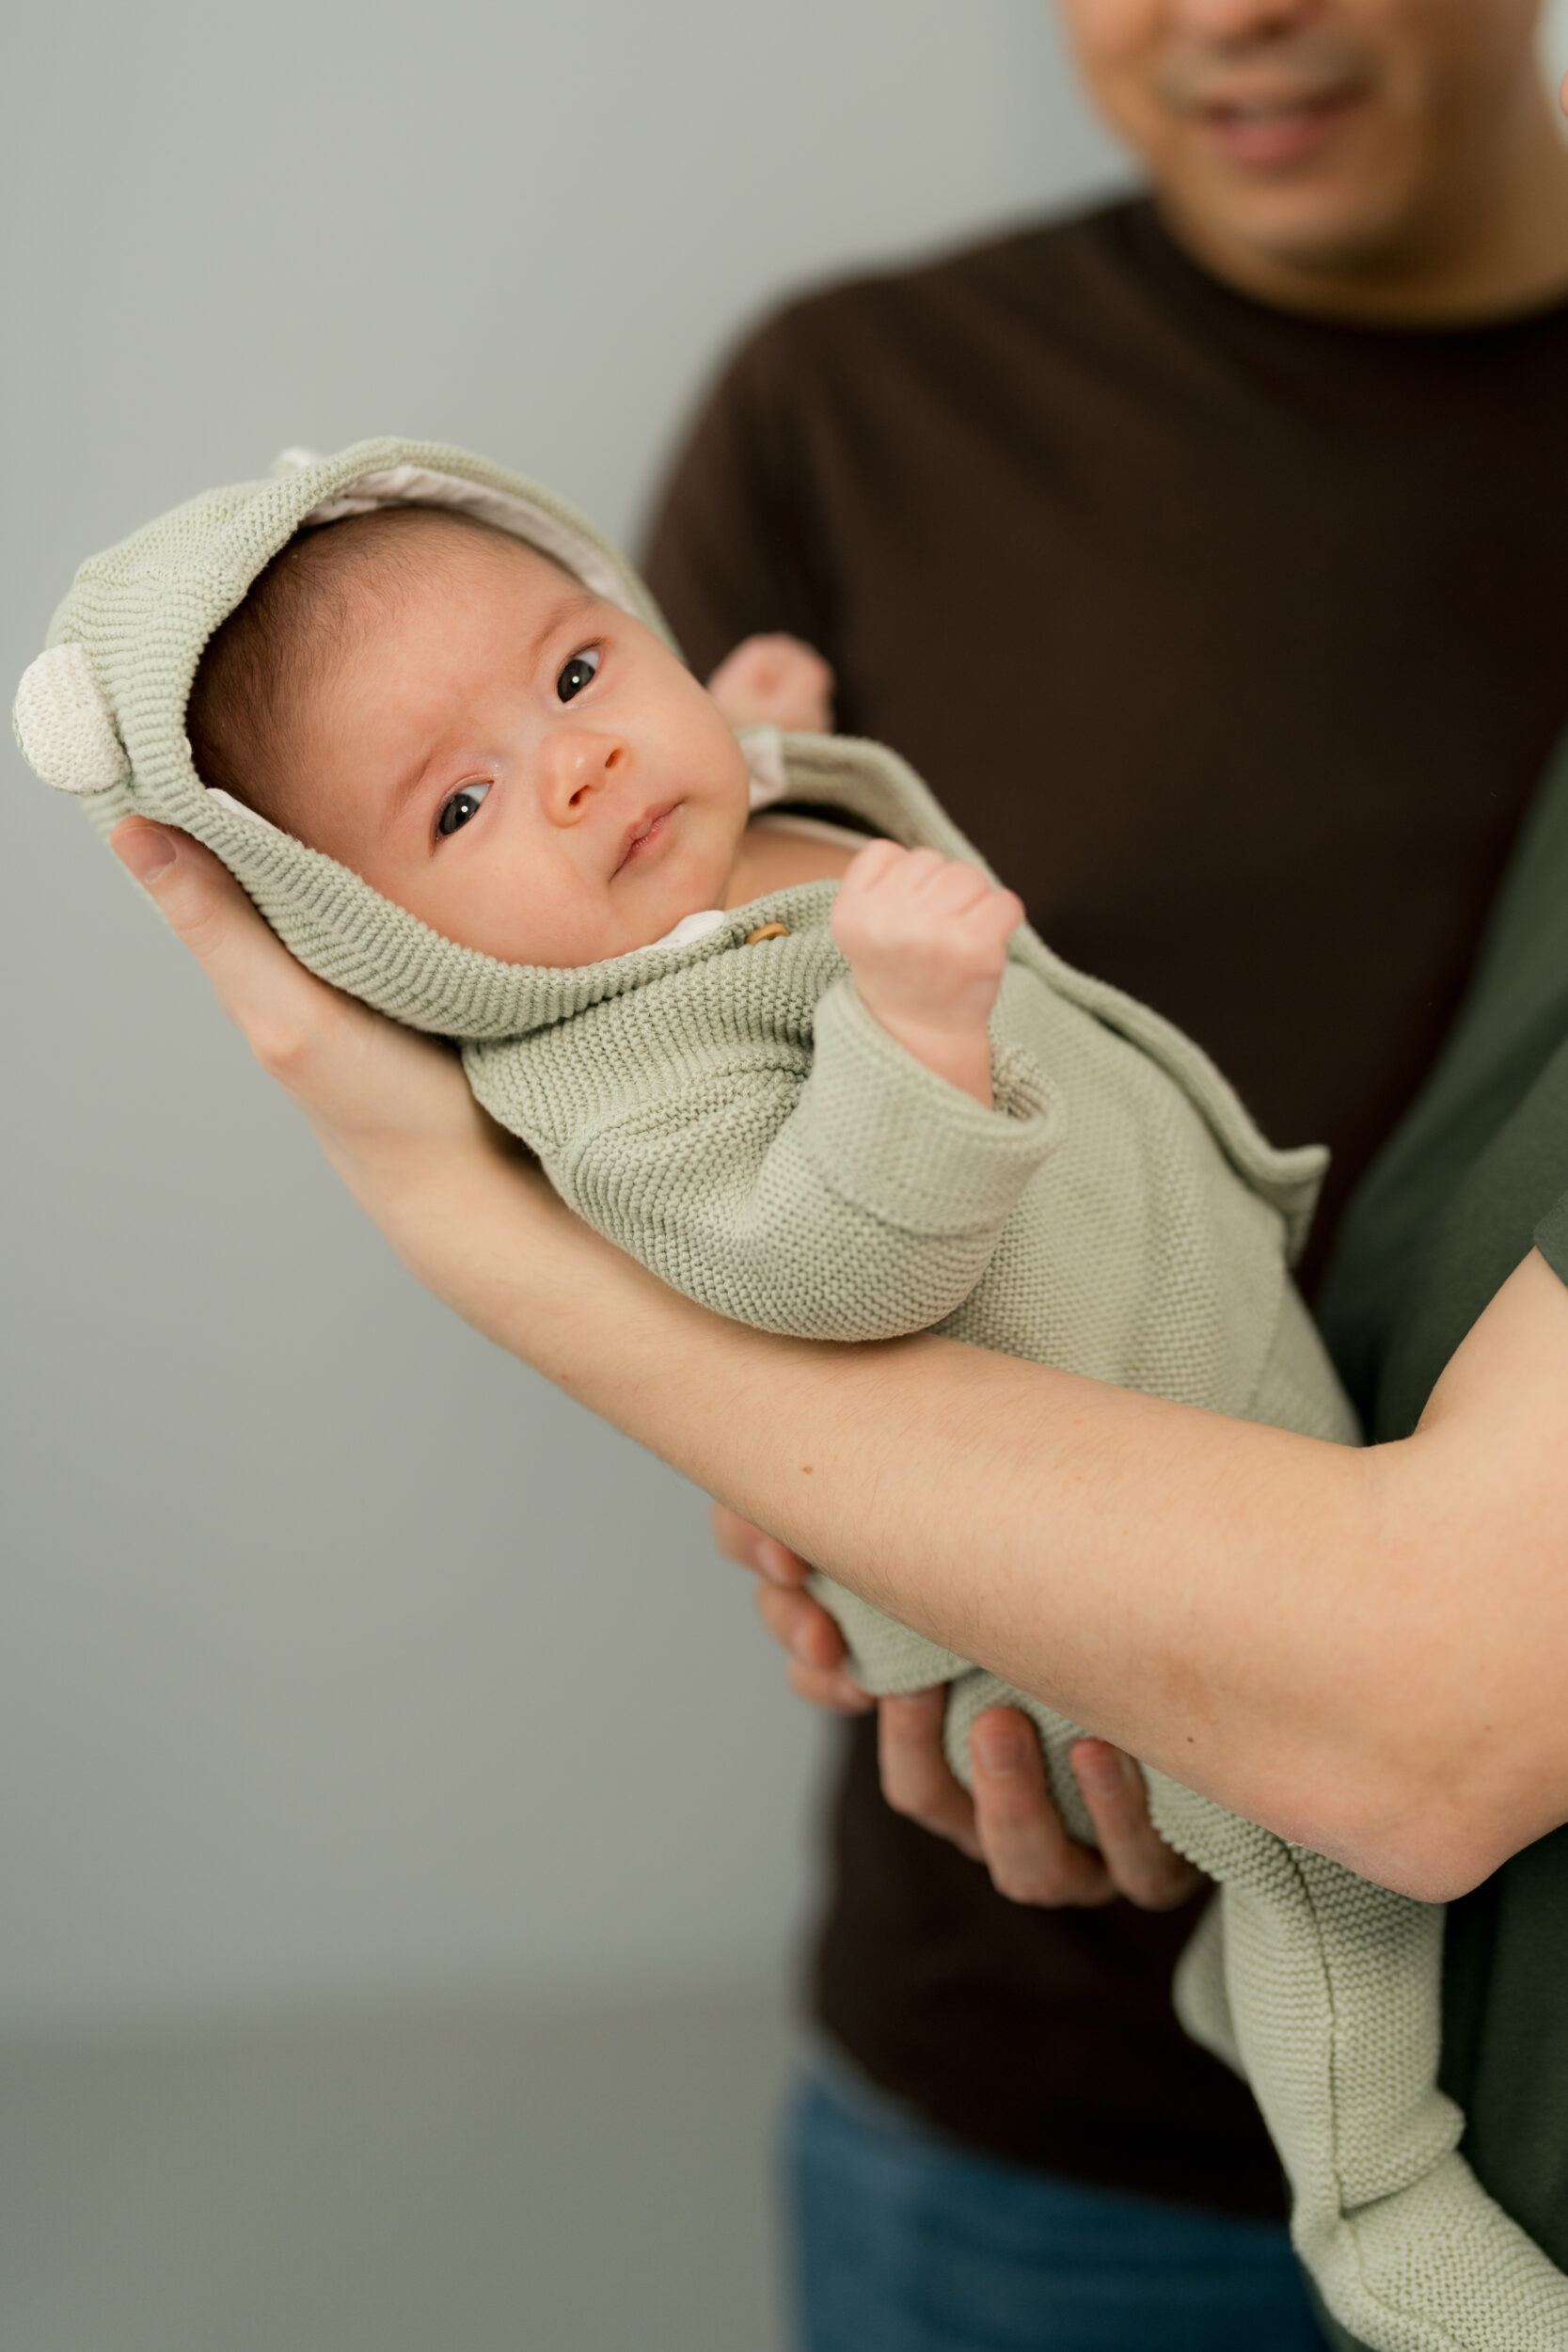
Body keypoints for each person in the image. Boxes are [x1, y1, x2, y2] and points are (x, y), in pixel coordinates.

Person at [71, 4, 1568, 2348]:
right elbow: (718, 1233)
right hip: (1024, 2009)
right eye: (455, 804)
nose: (568, 773)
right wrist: (852, 1473)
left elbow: (726, 788)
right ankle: (1388, 2203)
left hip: (1457, 1733)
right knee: (1323, 1923)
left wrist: (737, 720)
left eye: (581, 678)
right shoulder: (851, 407)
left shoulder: (671, 735)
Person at [631, 0, 1568, 2340]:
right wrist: (821, 1502)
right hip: (1028, 2079)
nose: (1226, 12)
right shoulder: (853, 411)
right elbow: (621, 1091)